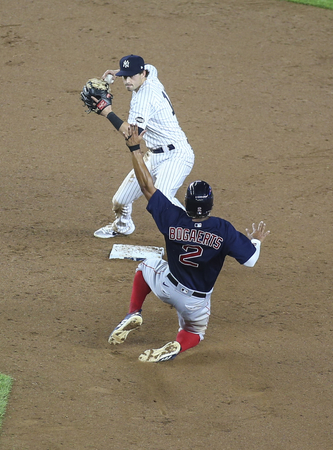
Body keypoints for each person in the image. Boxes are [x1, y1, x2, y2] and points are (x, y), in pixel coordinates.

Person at [107, 124, 270, 363]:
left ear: (187, 202)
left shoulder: (173, 216)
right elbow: (251, 260)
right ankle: (178, 344)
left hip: (165, 286)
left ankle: (134, 312)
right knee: (195, 332)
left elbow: (146, 187)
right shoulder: (222, 229)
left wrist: (134, 148)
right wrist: (255, 240)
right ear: (211, 205)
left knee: (146, 267)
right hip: (195, 301)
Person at [90, 54, 195, 238]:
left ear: (142, 74)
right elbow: (151, 66)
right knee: (120, 201)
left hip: (176, 155)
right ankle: (123, 226)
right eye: (124, 76)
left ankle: (195, 232)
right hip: (154, 155)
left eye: (132, 76)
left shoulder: (143, 99)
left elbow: (132, 135)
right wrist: (118, 71)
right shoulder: (151, 74)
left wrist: (107, 112)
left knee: (163, 198)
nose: (128, 81)